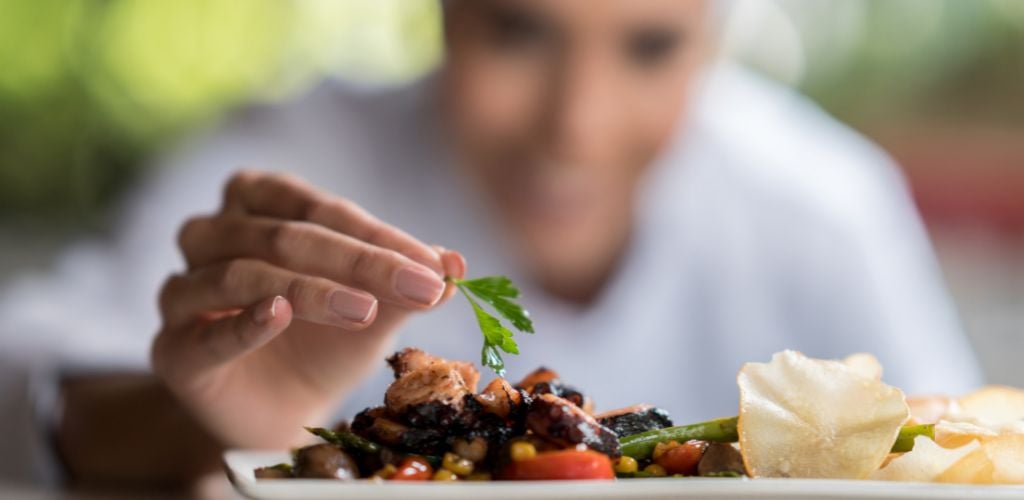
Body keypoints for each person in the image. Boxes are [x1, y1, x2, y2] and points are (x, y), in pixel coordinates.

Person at [0, 0, 982, 488]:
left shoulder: (823, 203)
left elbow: (954, 453)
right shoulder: (297, 160)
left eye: (649, 46)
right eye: (517, 30)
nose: (576, 128)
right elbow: (31, 388)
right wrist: (204, 419)